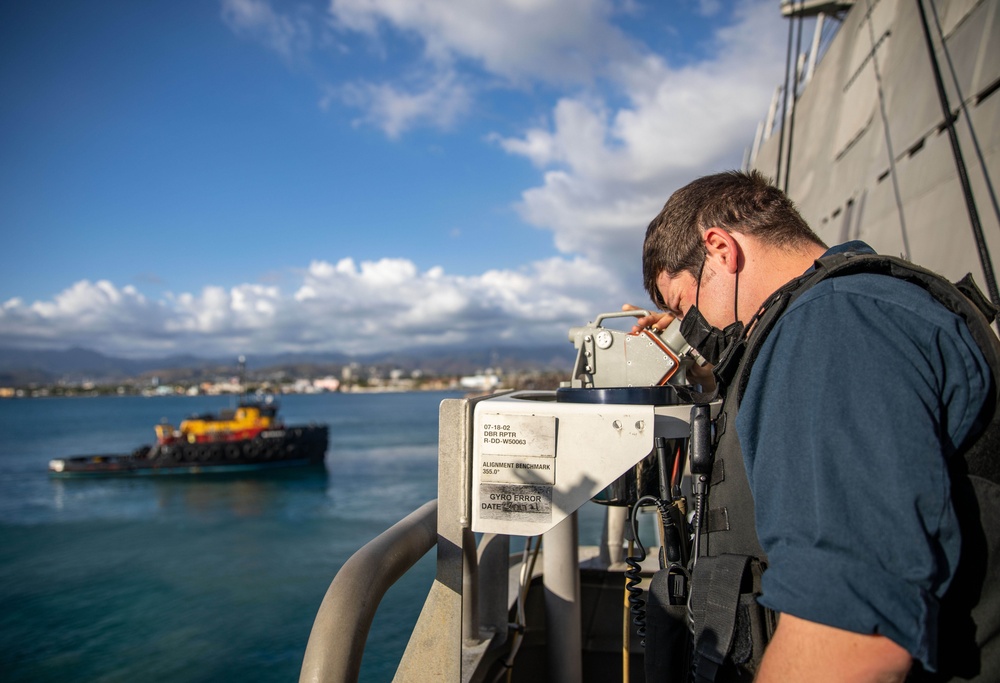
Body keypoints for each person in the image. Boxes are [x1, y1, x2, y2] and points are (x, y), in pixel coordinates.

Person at [631, 170, 999, 682]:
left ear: (720, 249)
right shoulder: (848, 311)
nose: (697, 333)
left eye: (684, 308)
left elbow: (849, 638)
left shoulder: (833, 325)